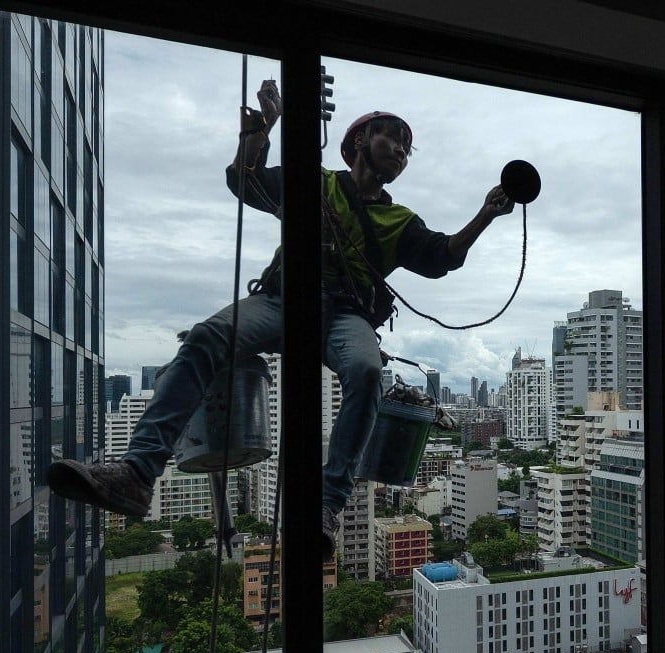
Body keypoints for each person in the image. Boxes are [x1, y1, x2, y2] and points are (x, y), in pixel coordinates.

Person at [46, 80, 514, 561]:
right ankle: (138, 473)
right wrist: (262, 127)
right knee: (208, 337)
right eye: (390, 136)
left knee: (368, 370)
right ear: (358, 140)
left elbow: (442, 257)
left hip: (345, 315)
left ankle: (326, 507)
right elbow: (245, 180)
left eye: (406, 147)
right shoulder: (317, 184)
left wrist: (485, 214)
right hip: (282, 297)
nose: (399, 149)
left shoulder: (399, 221)